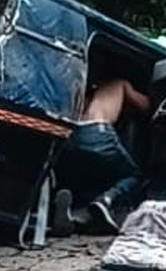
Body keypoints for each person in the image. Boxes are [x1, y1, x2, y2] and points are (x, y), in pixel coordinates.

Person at [56, 78, 152, 233]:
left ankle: (68, 209)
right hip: (96, 132)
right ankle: (105, 200)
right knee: (134, 176)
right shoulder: (120, 84)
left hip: (69, 135)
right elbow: (147, 107)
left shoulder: (79, 89)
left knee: (81, 174)